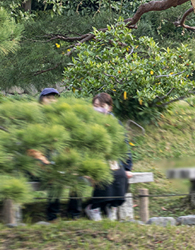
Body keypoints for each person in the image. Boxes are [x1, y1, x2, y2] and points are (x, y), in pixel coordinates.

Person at [28, 87, 82, 220]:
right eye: (48, 98)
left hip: (58, 163)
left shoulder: (62, 120)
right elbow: (31, 148)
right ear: (41, 100)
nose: (52, 101)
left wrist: (70, 163)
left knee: (77, 178)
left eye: (54, 98)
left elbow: (67, 145)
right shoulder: (35, 118)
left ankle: (74, 215)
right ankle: (52, 216)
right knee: (54, 177)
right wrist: (45, 163)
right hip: (38, 164)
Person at [84, 92, 133, 221]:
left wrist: (128, 167)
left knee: (120, 175)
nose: (98, 108)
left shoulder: (115, 123)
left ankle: (111, 206)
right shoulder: (89, 122)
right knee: (102, 174)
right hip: (93, 159)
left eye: (102, 105)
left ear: (110, 107)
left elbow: (124, 144)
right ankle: (94, 207)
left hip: (112, 159)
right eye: (95, 105)